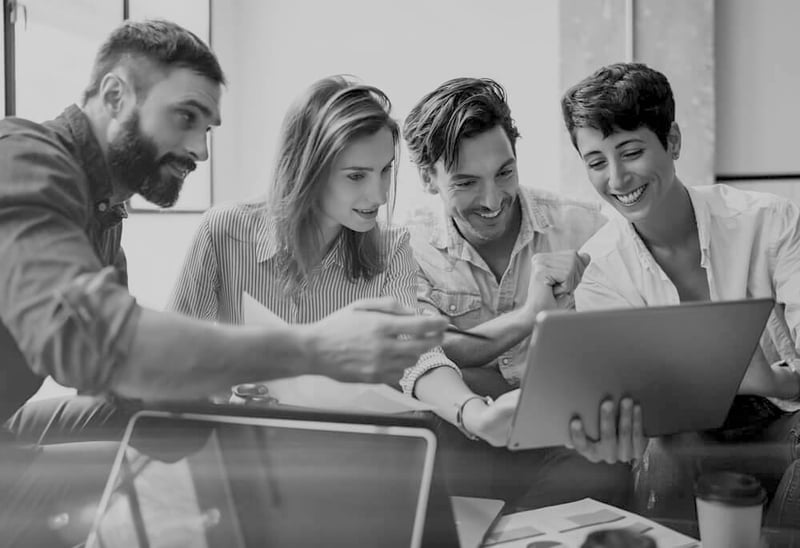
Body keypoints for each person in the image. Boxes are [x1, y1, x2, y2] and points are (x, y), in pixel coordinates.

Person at [0, 20, 446, 546]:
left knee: (198, 440)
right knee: (159, 493)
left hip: (11, 428)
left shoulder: (104, 218)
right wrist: (313, 349)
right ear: (115, 95)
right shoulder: (21, 157)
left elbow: (121, 385)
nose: (201, 150)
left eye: (207, 129)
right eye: (185, 117)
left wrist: (243, 402)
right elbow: (95, 341)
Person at [561, 62, 800, 522]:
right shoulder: (600, 268)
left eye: (630, 152)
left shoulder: (769, 222)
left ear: (672, 141)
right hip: (683, 438)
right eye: (596, 162)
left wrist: (774, 381)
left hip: (784, 424)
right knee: (667, 451)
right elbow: (631, 407)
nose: (616, 179)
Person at [400, 77, 632, 510]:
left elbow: (631, 344)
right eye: (466, 183)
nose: (493, 200)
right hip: (461, 437)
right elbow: (423, 349)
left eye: (504, 172)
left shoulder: (586, 229)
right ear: (428, 178)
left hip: (564, 440)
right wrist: (532, 316)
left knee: (605, 465)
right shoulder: (406, 248)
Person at [168, 74, 454, 388]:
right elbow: (172, 352)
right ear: (308, 170)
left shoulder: (393, 247)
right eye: (356, 176)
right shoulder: (224, 230)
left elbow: (417, 355)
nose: (379, 195)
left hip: (349, 434)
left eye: (385, 170)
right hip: (246, 431)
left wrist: (467, 408)